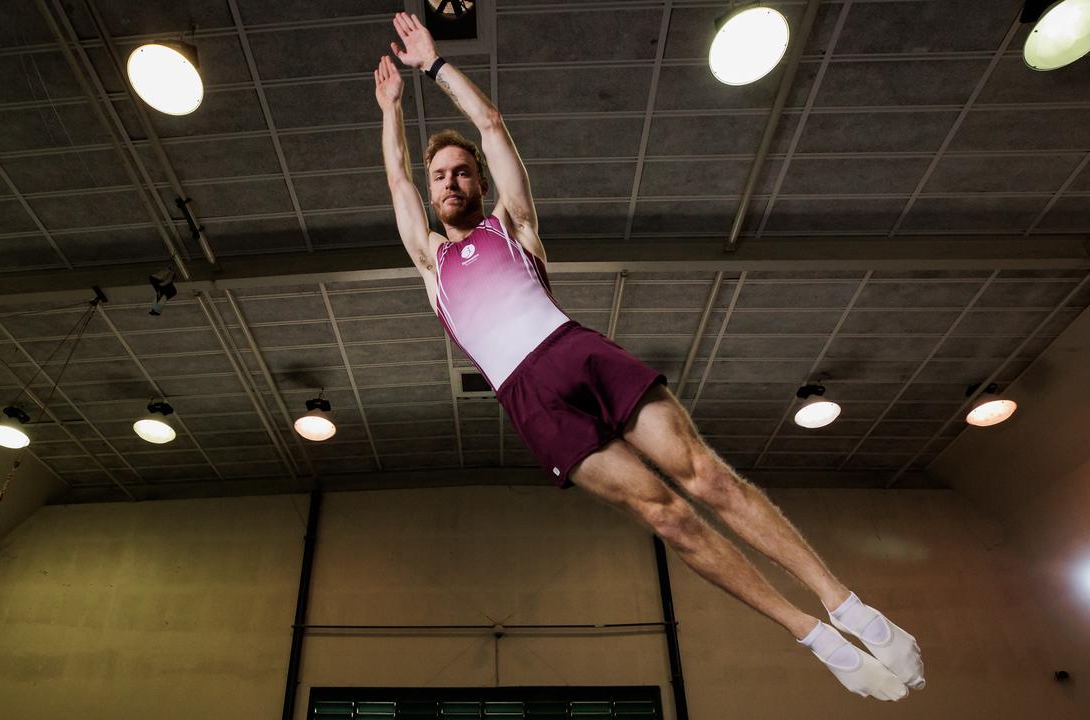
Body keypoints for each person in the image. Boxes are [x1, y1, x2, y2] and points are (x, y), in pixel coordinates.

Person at [374, 12, 923, 701]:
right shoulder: (433, 261)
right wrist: (391, 109)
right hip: (530, 399)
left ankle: (848, 606)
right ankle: (813, 636)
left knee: (706, 478)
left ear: (479, 184)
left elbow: (490, 125)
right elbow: (395, 178)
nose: (450, 182)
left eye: (460, 173)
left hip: (573, 352)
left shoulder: (511, 225)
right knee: (668, 515)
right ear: (432, 193)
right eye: (440, 177)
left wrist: (433, 69)